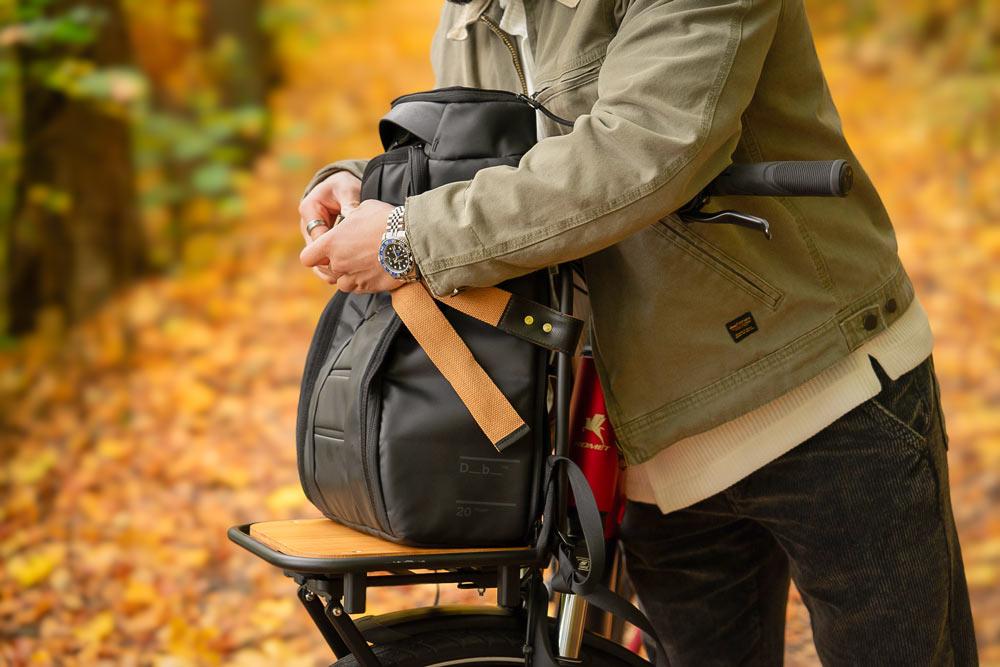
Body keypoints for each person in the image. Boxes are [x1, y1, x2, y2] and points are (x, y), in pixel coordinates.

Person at [297, 0, 978, 663]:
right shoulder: (475, 12)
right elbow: (488, 158)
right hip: (648, 438)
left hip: (820, 388)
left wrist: (407, 237)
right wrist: (366, 185)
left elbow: (648, 147)